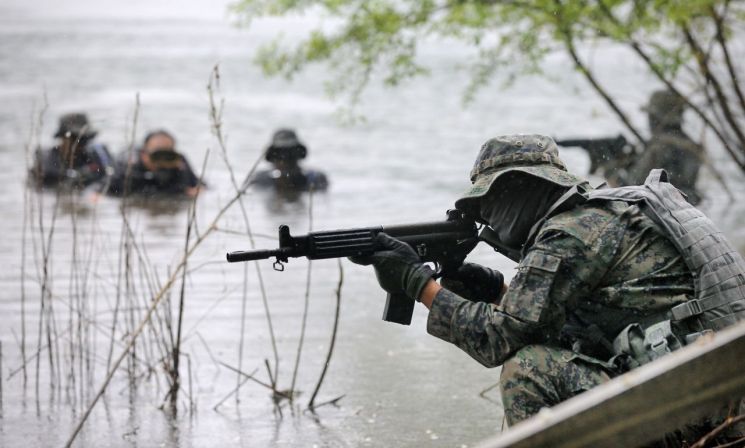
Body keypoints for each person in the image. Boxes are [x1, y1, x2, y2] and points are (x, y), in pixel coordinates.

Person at [350, 135, 745, 444]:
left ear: (522, 188)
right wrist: (494, 288)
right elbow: (563, 318)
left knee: (528, 371)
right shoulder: (600, 216)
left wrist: (418, 284)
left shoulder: (569, 234)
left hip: (692, 412)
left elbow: (498, 339)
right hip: (703, 396)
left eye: (491, 199)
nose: (486, 214)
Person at [623, 89, 704, 205]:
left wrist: (612, 174)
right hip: (684, 208)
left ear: (657, 118)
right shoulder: (688, 143)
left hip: (663, 210)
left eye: (651, 116)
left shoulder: (660, 147)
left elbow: (634, 187)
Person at [31, 112, 114, 190]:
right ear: (63, 138)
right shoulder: (47, 163)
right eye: (76, 139)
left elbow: (113, 177)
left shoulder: (97, 155)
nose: (82, 144)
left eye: (85, 139)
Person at [107, 129, 201, 197]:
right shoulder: (129, 167)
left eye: (167, 155)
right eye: (157, 155)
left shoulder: (179, 162)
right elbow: (102, 190)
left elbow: (199, 185)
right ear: (144, 154)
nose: (162, 160)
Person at [246, 128, 329, 193]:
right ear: (271, 155)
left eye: (290, 153)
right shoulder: (260, 179)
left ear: (299, 153)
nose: (284, 158)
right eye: (279, 153)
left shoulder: (315, 179)